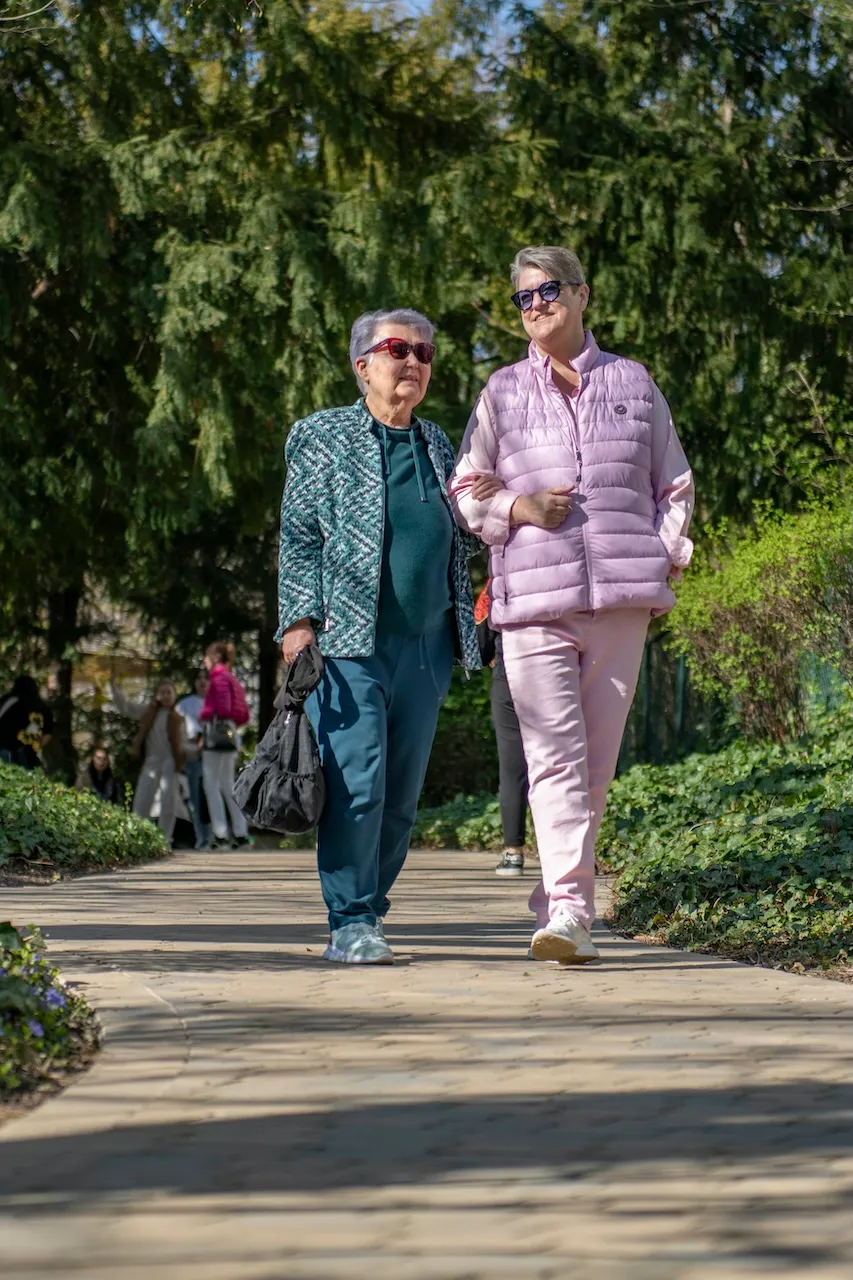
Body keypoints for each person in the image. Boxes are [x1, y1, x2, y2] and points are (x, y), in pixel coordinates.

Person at [450, 245, 694, 965]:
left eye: (547, 290)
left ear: (582, 294)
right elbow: (467, 487)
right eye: (522, 298)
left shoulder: (633, 382)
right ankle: (567, 911)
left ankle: (563, 899)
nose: (534, 306)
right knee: (552, 758)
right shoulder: (499, 392)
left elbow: (672, 487)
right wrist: (520, 505)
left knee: (593, 767)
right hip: (531, 604)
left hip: (620, 601)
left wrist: (662, 555)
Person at [276, 308, 481, 965]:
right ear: (362, 364)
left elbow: (464, 533)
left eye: (423, 352)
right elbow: (301, 533)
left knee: (399, 796)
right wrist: (296, 621)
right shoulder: (324, 435)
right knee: (357, 784)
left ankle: (371, 910)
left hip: (427, 648)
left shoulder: (437, 443)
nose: (414, 362)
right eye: (398, 350)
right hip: (347, 643)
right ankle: (350, 918)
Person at [474, 582, 531, 878]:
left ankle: (513, 852)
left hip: (510, 678)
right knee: (566, 763)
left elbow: (479, 647)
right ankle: (576, 853)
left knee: (513, 767)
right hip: (563, 676)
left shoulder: (499, 580)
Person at [111, 677, 185, 841]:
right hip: (152, 759)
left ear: (174, 696)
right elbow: (126, 707)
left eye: (169, 692)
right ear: (157, 695)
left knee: (168, 799)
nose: (166, 696)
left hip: (170, 760)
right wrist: (116, 691)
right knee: (143, 796)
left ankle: (165, 838)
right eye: (162, 692)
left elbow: (184, 743)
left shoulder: (178, 719)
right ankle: (137, 834)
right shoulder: (149, 711)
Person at [199, 641, 251, 851]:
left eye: (206, 657)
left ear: (213, 659)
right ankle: (241, 833)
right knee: (228, 785)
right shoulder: (232, 679)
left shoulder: (218, 678)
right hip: (231, 733)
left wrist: (205, 715)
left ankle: (220, 834)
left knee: (211, 785)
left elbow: (222, 706)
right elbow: (243, 713)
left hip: (217, 732)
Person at [177, 670, 212, 850]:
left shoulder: (216, 701)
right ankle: (201, 837)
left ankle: (215, 836)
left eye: (206, 678)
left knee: (212, 796)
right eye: (199, 678)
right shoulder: (184, 704)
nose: (202, 682)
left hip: (213, 754)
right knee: (194, 799)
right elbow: (178, 730)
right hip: (192, 755)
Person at [0, 675, 54, 771]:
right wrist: (34, 748)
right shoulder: (42, 707)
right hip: (27, 753)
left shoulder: (7, 700)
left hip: (4, 748)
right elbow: (47, 735)